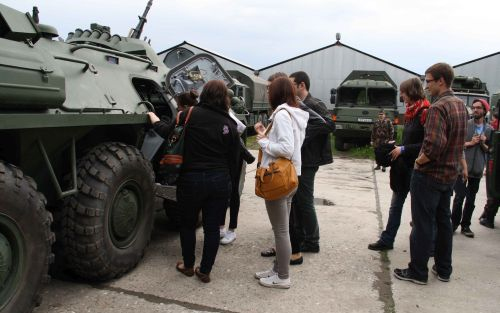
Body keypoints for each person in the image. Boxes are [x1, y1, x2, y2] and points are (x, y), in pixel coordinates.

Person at [394, 63, 468, 285]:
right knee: (443, 222)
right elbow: (458, 143)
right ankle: (444, 269)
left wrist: (418, 161)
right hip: (449, 176)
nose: (426, 86)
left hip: (430, 175)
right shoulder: (461, 106)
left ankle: (418, 271)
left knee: (422, 224)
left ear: (441, 81)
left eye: (428, 81)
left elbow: (434, 146)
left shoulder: (438, 108)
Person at [173, 80, 240, 283]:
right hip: (219, 180)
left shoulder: (188, 114)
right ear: (225, 98)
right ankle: (205, 270)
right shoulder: (230, 123)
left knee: (187, 224)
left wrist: (153, 119)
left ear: (204, 94)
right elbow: (234, 159)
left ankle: (187, 265)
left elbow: (169, 132)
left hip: (190, 179)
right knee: (212, 228)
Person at [253, 76, 308, 289]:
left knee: (281, 230)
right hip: (290, 176)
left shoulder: (283, 115)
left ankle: (283, 276)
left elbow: (286, 148)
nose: (267, 94)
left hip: (279, 178)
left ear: (277, 93)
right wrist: (264, 136)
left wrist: (264, 142)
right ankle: (277, 269)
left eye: (269, 90)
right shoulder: (291, 114)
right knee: (281, 228)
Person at [368, 78, 429, 251]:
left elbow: (427, 144)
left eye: (403, 92)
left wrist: (403, 149)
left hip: (418, 169)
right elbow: (412, 139)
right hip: (404, 168)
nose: (401, 96)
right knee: (395, 206)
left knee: (419, 211)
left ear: (412, 91)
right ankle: (387, 240)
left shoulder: (425, 112)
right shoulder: (410, 113)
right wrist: (397, 145)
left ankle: (426, 245)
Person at [288, 71, 335, 256]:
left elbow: (329, 124)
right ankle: (301, 236)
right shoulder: (298, 105)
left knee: (305, 201)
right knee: (298, 200)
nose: (290, 88)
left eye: (292, 84)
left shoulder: (314, 104)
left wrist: (304, 135)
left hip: (309, 160)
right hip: (300, 159)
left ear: (301, 85)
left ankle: (312, 241)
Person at [451, 99, 492, 238]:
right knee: (459, 197)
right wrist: (470, 142)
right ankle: (453, 224)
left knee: (471, 200)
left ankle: (466, 225)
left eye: (478, 108)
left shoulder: (489, 129)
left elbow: (490, 150)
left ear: (484, 111)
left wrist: (482, 143)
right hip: (462, 169)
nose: (475, 110)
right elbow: (457, 144)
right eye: (473, 108)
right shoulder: (466, 125)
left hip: (477, 170)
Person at [219, 107, 255, 245]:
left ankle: (232, 230)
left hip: (234, 157)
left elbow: (240, 128)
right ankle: (221, 227)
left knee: (233, 192)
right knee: (223, 193)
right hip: (225, 157)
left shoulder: (226, 112)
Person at [479, 108, 500, 228]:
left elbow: (491, 150)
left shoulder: (495, 131)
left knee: (494, 190)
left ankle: (489, 217)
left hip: (496, 166)